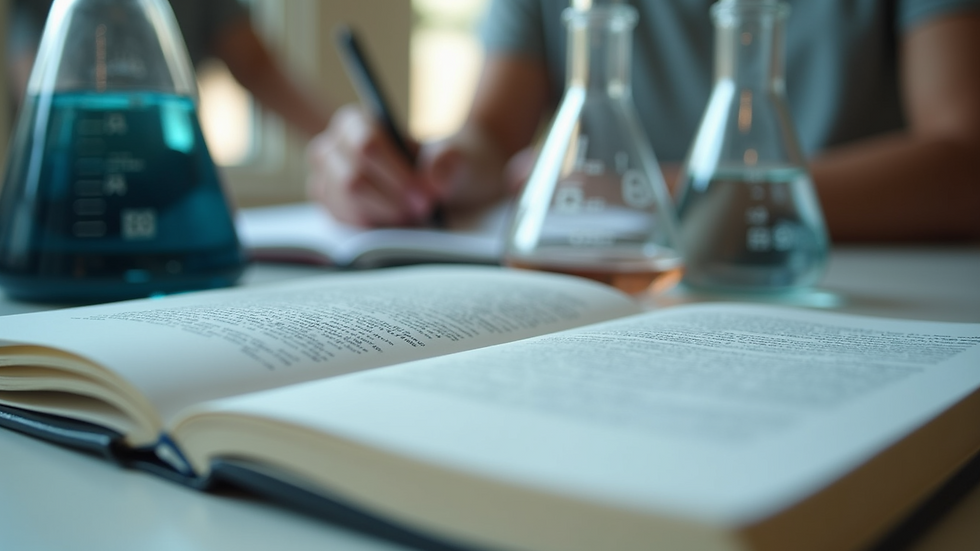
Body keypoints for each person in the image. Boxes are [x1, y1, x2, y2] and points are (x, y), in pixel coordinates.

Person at [307, 0, 980, 242]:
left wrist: (657, 192)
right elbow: (489, 135)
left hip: (873, 286)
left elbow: (965, 161)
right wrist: (435, 166)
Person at [5, 0, 331, 138]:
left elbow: (254, 65)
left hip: (169, 165)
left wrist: (341, 141)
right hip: (81, 175)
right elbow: (38, 93)